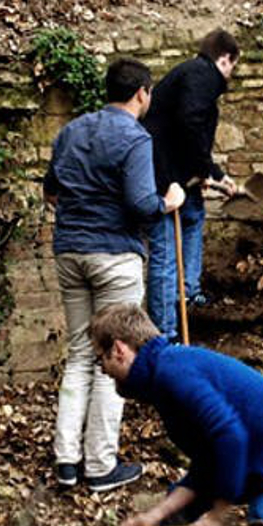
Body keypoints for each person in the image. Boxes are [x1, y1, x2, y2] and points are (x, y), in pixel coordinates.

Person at [43, 57, 185, 492]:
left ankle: (67, 461)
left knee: (81, 354)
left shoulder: (71, 131)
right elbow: (141, 203)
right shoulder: (134, 137)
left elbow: (51, 191)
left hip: (70, 253)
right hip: (114, 258)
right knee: (116, 356)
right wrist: (170, 201)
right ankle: (101, 465)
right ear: (143, 93)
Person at [91, 304, 263, 526]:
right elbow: (207, 463)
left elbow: (231, 438)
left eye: (99, 359)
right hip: (258, 457)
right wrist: (154, 516)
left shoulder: (173, 371)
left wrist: (217, 514)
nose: (102, 370)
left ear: (118, 350)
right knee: (175, 517)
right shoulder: (162, 378)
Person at [143, 30, 240, 338]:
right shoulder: (203, 73)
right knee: (166, 252)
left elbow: (187, 128)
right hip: (163, 175)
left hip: (180, 173)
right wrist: (206, 170)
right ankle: (166, 331)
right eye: (232, 67)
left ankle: (188, 291)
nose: (230, 75)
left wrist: (208, 174)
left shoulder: (191, 75)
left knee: (194, 216)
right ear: (224, 59)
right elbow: (190, 121)